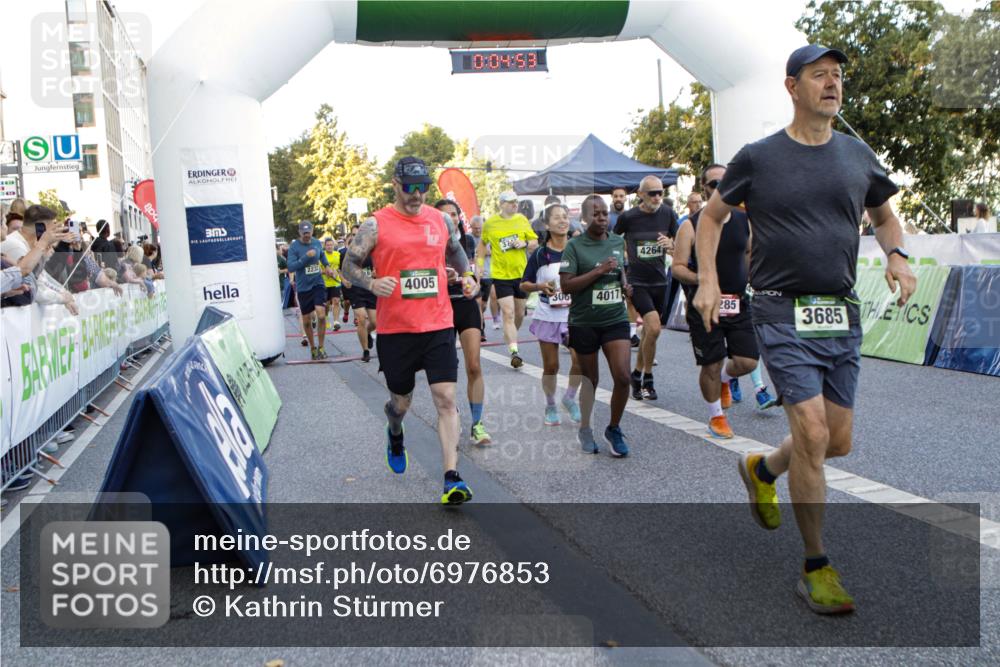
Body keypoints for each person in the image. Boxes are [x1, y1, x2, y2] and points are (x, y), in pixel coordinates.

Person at [692, 44, 916, 615]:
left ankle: (762, 468)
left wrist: (898, 256)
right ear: (793, 87)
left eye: (837, 77)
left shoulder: (856, 154)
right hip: (779, 307)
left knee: (836, 440)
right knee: (813, 433)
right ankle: (816, 566)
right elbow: (710, 218)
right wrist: (710, 283)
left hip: (839, 309)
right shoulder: (759, 157)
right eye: (820, 76)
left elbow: (885, 215)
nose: (833, 85)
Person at [342, 156, 478, 504]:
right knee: (401, 402)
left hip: (437, 323)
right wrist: (372, 284)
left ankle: (451, 478)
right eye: (409, 188)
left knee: (446, 399)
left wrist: (467, 277)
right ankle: (395, 429)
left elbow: (457, 254)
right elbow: (349, 265)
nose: (417, 195)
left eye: (423, 188)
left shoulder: (442, 220)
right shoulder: (376, 225)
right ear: (395, 185)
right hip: (396, 329)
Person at [672, 164, 776, 439]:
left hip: (738, 301)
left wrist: (753, 277)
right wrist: (705, 281)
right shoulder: (690, 225)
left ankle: (727, 381)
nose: (720, 189)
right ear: (704, 188)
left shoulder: (745, 220)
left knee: (748, 362)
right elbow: (678, 267)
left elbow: (752, 253)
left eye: (725, 183)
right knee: (711, 363)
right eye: (713, 185)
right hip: (704, 305)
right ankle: (716, 416)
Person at [559, 194, 633, 457]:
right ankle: (586, 428)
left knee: (623, 376)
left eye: (605, 213)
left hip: (615, 318)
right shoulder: (575, 246)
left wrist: (625, 284)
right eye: (596, 214)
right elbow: (566, 286)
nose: (602, 218)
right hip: (585, 321)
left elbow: (621, 269)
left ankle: (614, 428)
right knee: (591, 380)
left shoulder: (617, 240)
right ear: (585, 217)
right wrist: (598, 271)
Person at [613, 175, 678, 400]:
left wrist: (672, 245)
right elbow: (613, 241)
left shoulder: (668, 214)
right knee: (654, 328)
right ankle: (648, 378)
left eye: (661, 192)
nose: (658, 197)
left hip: (660, 282)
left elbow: (681, 242)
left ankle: (637, 373)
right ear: (640, 194)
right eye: (652, 193)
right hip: (638, 282)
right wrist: (621, 273)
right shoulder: (629, 217)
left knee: (651, 333)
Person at [435, 199, 492, 446]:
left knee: (474, 366)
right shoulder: (430, 242)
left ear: (459, 217)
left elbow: (476, 272)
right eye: (444, 215)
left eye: (454, 214)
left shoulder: (469, 241)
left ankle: (477, 424)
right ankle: (451, 414)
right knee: (447, 371)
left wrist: (475, 283)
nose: (451, 218)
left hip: (467, 304)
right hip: (441, 307)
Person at [520, 203, 583, 426]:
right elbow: (524, 285)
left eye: (565, 217)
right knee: (551, 366)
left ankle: (569, 399)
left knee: (581, 362)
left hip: (575, 315)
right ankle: (550, 405)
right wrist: (540, 286)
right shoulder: (540, 254)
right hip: (547, 315)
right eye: (556, 218)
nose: (563, 221)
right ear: (547, 224)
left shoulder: (577, 248)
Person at [476, 191, 538, 368]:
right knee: (508, 313)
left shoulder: (522, 220)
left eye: (516, 202)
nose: (514, 205)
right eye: (510, 202)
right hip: (501, 276)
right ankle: (514, 351)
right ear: (501, 204)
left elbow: (534, 241)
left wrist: (524, 243)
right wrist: (479, 265)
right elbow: (482, 244)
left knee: (519, 314)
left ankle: (511, 336)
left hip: (521, 274)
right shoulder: (491, 224)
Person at [1, 205, 79, 314]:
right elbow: (32, 287)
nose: (55, 232)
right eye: (53, 228)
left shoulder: (27, 244)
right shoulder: (16, 246)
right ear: (41, 228)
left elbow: (42, 276)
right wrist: (62, 298)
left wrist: (64, 293)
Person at [286, 221, 332, 360]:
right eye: (304, 233)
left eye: (309, 232)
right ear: (300, 232)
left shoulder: (317, 242)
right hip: (303, 286)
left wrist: (327, 266)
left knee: (321, 315)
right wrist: (306, 257)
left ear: (312, 231)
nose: (307, 235)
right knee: (306, 321)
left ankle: (322, 346)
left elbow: (322, 255)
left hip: (317, 283)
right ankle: (313, 348)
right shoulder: (294, 247)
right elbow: (291, 267)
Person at [340, 231, 377, 362]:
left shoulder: (369, 252)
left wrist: (375, 272)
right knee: (361, 318)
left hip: (369, 289)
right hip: (355, 290)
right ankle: (365, 351)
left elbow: (376, 267)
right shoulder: (345, 255)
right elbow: (340, 271)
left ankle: (367, 333)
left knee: (374, 322)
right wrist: (344, 281)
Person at [468, 215, 497, 340]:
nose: (478, 231)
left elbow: (496, 252)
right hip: (474, 275)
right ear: (471, 228)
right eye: (475, 229)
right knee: (478, 304)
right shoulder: (468, 239)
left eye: (480, 228)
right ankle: (481, 330)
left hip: (488, 274)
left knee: (484, 305)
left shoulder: (489, 237)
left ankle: (480, 317)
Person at [322, 237, 343, 330]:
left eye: (331, 245)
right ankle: (326, 318)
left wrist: (337, 272)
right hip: (325, 282)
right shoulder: (322, 255)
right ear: (325, 246)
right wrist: (326, 272)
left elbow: (340, 268)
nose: (329, 247)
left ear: (334, 245)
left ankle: (336, 322)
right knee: (326, 304)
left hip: (336, 282)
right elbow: (318, 270)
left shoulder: (338, 254)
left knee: (336, 301)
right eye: (328, 245)